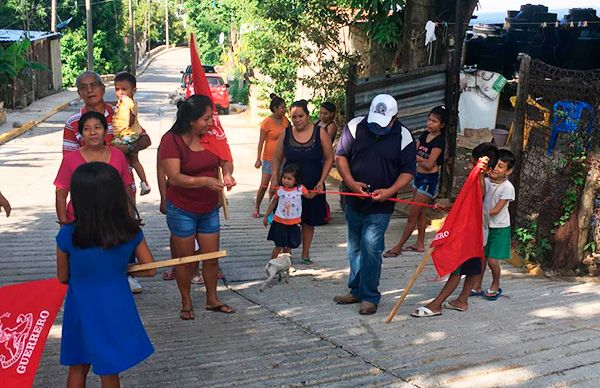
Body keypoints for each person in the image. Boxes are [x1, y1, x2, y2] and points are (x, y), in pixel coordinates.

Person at [56, 162, 156, 387]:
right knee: (110, 368)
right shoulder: (130, 231)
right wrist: (118, 268)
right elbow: (150, 268)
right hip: (114, 303)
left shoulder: (67, 235)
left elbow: (63, 276)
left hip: (80, 305)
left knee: (77, 365)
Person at [62, 70, 151, 293]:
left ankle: (127, 271)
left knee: (123, 225)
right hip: (89, 188)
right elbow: (68, 158)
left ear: (103, 88)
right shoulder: (73, 122)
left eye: (94, 85)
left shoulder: (121, 110)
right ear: (79, 93)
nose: (90, 90)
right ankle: (89, 271)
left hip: (121, 184)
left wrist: (125, 149)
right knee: (88, 229)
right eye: (84, 87)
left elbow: (145, 138)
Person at [334, 94, 416, 315]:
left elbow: (408, 171)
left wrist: (390, 191)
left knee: (371, 247)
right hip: (353, 199)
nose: (378, 128)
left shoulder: (404, 136)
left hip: (381, 203)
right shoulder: (355, 126)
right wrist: (351, 183)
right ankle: (356, 289)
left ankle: (370, 296)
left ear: (394, 117)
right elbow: (340, 156)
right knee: (355, 246)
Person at [159, 95, 236, 319]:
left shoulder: (212, 136)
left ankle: (212, 299)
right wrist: (204, 181)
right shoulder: (171, 140)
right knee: (186, 261)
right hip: (182, 208)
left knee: (211, 257)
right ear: (191, 120)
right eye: (206, 119)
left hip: (209, 207)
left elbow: (225, 159)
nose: (210, 123)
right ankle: (186, 301)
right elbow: (174, 177)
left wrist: (228, 174)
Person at [410, 143, 499, 317]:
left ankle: (437, 304)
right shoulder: (474, 182)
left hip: (474, 233)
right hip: (475, 232)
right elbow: (464, 203)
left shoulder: (482, 182)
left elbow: (478, 195)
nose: (468, 166)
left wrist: (479, 173)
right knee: (473, 266)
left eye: (472, 164)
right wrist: (447, 206)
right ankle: (462, 300)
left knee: (458, 268)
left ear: (485, 169)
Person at [270, 99, 334, 265]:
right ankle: (286, 253)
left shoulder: (320, 132)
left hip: (313, 184)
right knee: (286, 219)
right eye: (293, 117)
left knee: (308, 220)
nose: (297, 120)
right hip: (289, 184)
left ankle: (305, 254)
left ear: (307, 115)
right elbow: (277, 157)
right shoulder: (286, 133)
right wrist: (274, 179)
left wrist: (321, 181)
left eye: (300, 116)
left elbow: (329, 158)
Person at [384, 105, 448, 257]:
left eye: (434, 121)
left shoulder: (439, 142)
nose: (429, 123)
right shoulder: (425, 135)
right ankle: (419, 243)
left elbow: (429, 164)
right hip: (418, 176)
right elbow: (413, 150)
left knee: (412, 215)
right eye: (429, 120)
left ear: (442, 125)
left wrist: (418, 158)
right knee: (420, 212)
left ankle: (398, 246)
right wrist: (419, 158)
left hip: (428, 180)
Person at [55, 111, 134, 225]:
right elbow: (61, 194)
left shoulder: (118, 155)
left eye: (97, 127)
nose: (93, 133)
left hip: (113, 221)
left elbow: (127, 189)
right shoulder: (70, 159)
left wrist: (128, 219)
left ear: (106, 131)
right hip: (79, 222)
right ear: (81, 134)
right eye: (87, 129)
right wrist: (64, 223)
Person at [473, 149, 516, 300]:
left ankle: (495, 284)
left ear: (508, 171)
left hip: (500, 228)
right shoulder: (486, 180)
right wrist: (479, 175)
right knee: (481, 258)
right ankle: (476, 285)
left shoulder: (508, 188)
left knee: (492, 260)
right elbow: (480, 193)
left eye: (501, 166)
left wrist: (477, 212)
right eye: (495, 165)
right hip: (485, 225)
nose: (496, 169)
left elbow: (496, 210)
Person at [263, 164, 317, 259]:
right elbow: (273, 203)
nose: (286, 180)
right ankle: (272, 263)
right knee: (278, 246)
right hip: (279, 222)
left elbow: (309, 196)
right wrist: (266, 216)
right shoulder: (280, 190)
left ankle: (285, 265)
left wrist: (316, 192)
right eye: (284, 177)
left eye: (289, 179)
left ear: (296, 180)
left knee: (288, 247)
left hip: (293, 222)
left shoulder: (300, 189)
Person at [112, 71, 151, 195]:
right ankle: (144, 183)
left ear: (133, 90)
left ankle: (143, 182)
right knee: (134, 161)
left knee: (117, 152)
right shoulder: (122, 103)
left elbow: (129, 120)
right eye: (117, 89)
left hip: (127, 135)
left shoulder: (129, 103)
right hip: (129, 134)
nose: (120, 92)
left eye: (124, 89)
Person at [253, 94, 288, 218]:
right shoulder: (267, 122)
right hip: (268, 158)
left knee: (275, 185)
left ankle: (271, 209)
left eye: (285, 107)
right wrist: (258, 159)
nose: (284, 110)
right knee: (264, 184)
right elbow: (261, 141)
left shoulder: (286, 121)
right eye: (282, 108)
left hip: (282, 158)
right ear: (275, 108)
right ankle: (257, 207)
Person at [315, 101, 338, 224]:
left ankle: (322, 212)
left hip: (323, 157)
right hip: (315, 156)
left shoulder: (331, 126)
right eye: (321, 113)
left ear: (332, 114)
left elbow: (325, 142)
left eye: (325, 113)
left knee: (320, 183)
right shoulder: (318, 122)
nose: (322, 116)